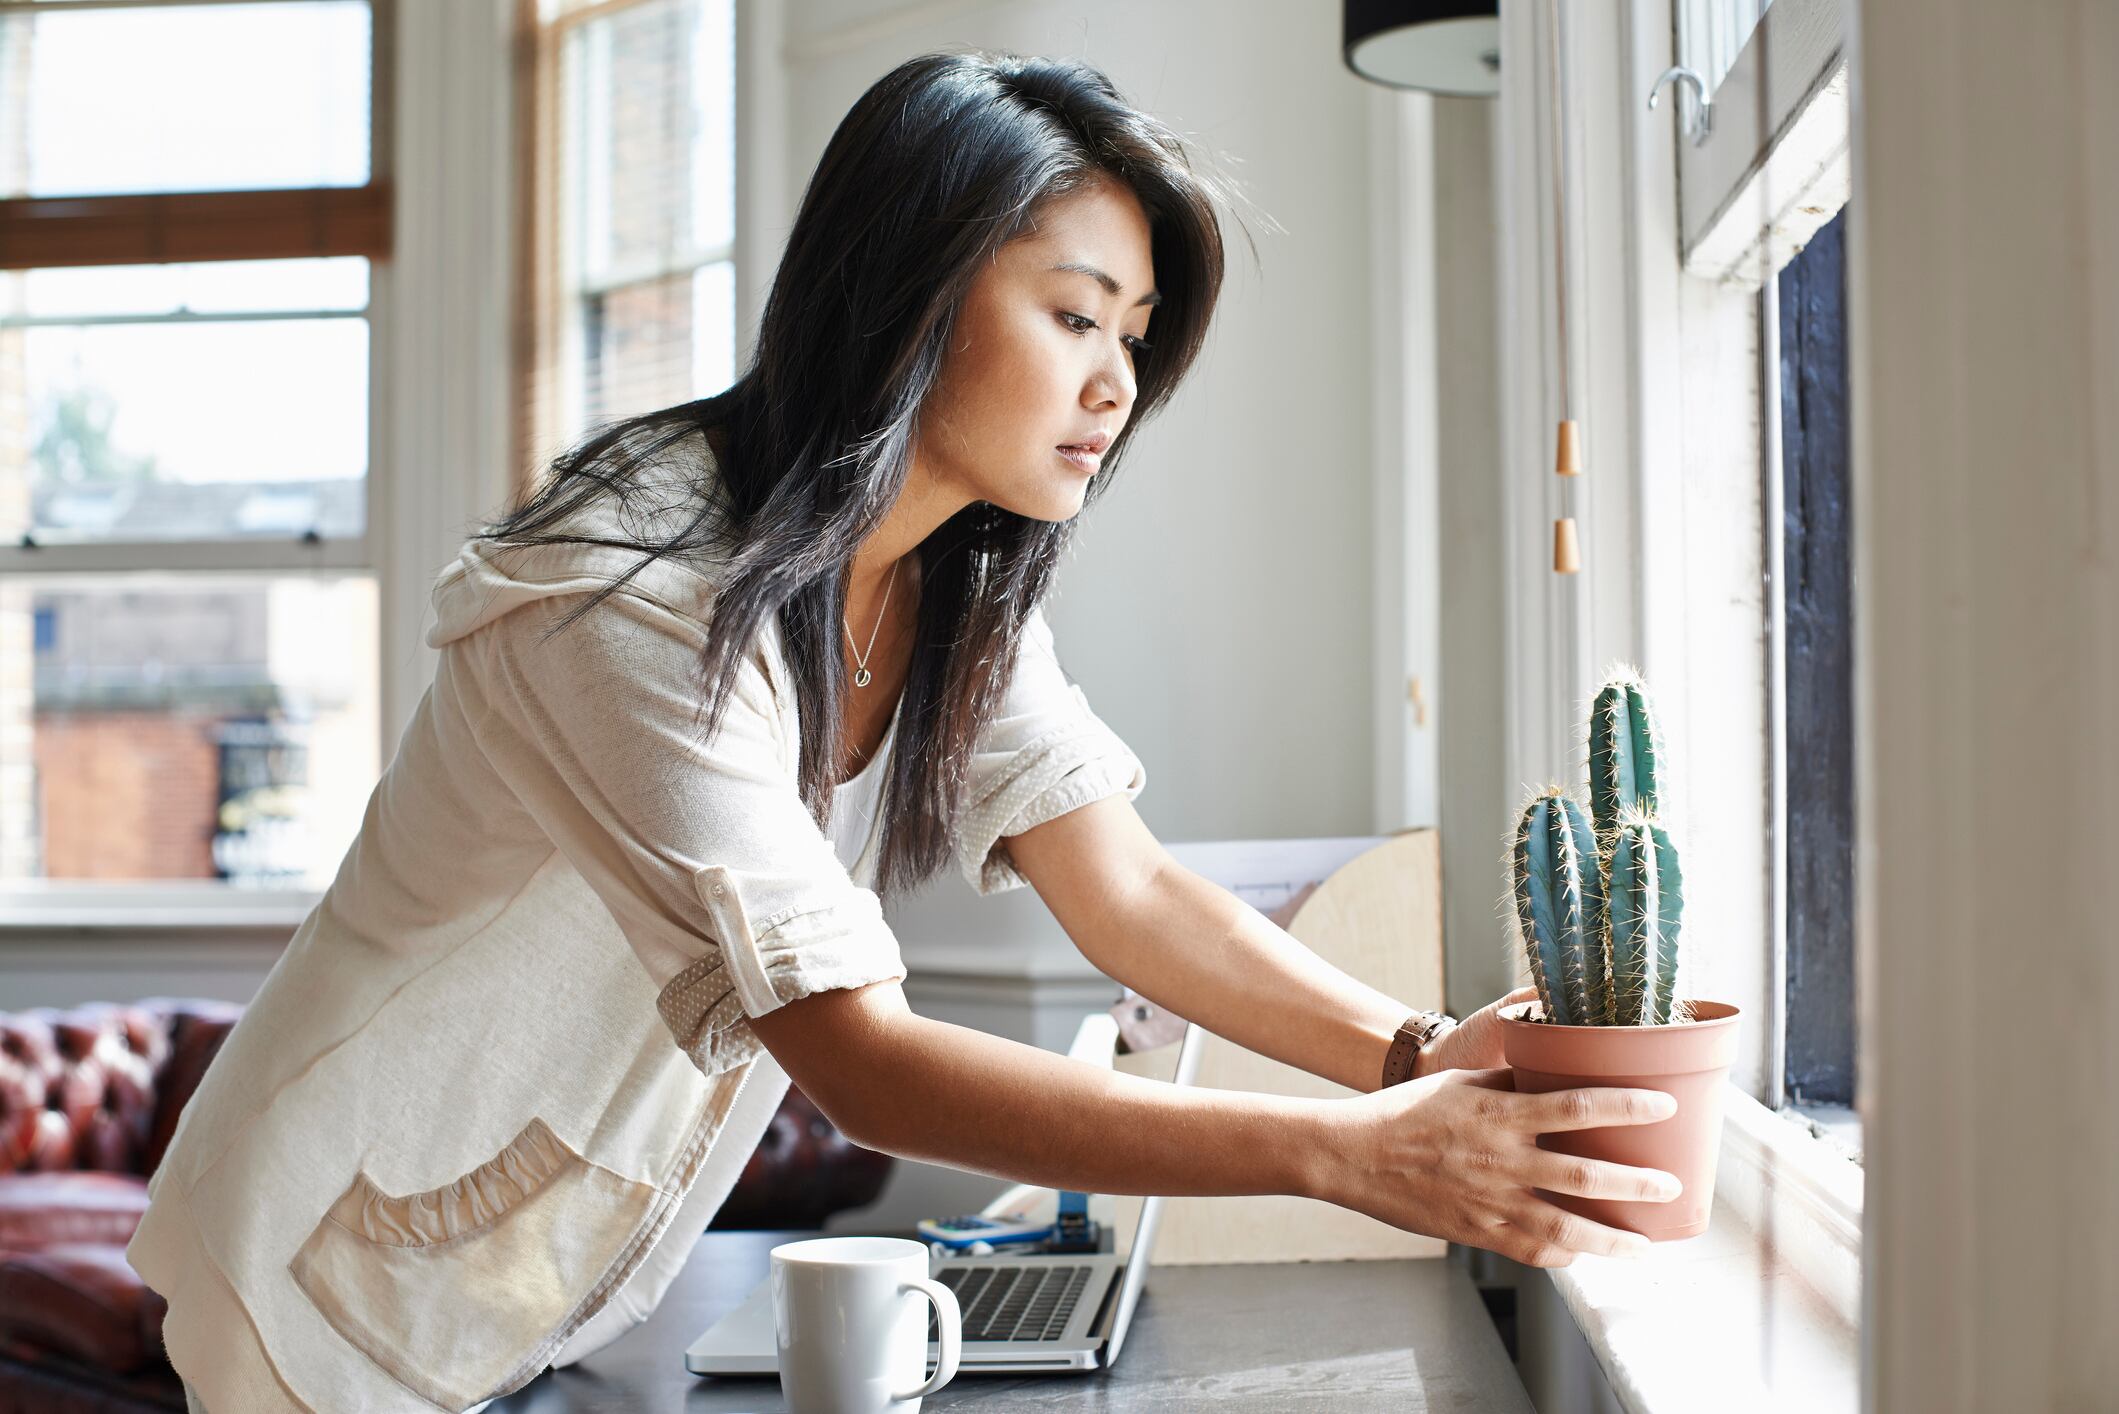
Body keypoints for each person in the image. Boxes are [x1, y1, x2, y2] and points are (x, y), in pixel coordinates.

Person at [132, 49, 1681, 1414]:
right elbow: (859, 1058)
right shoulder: (632, 594)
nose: (1114, 383)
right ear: (910, 293)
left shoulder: (945, 575)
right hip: (317, 1273)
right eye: (1076, 314)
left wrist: (1412, 1050)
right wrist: (1344, 1152)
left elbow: (1127, 891)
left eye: (1134, 334)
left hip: (512, 1268)